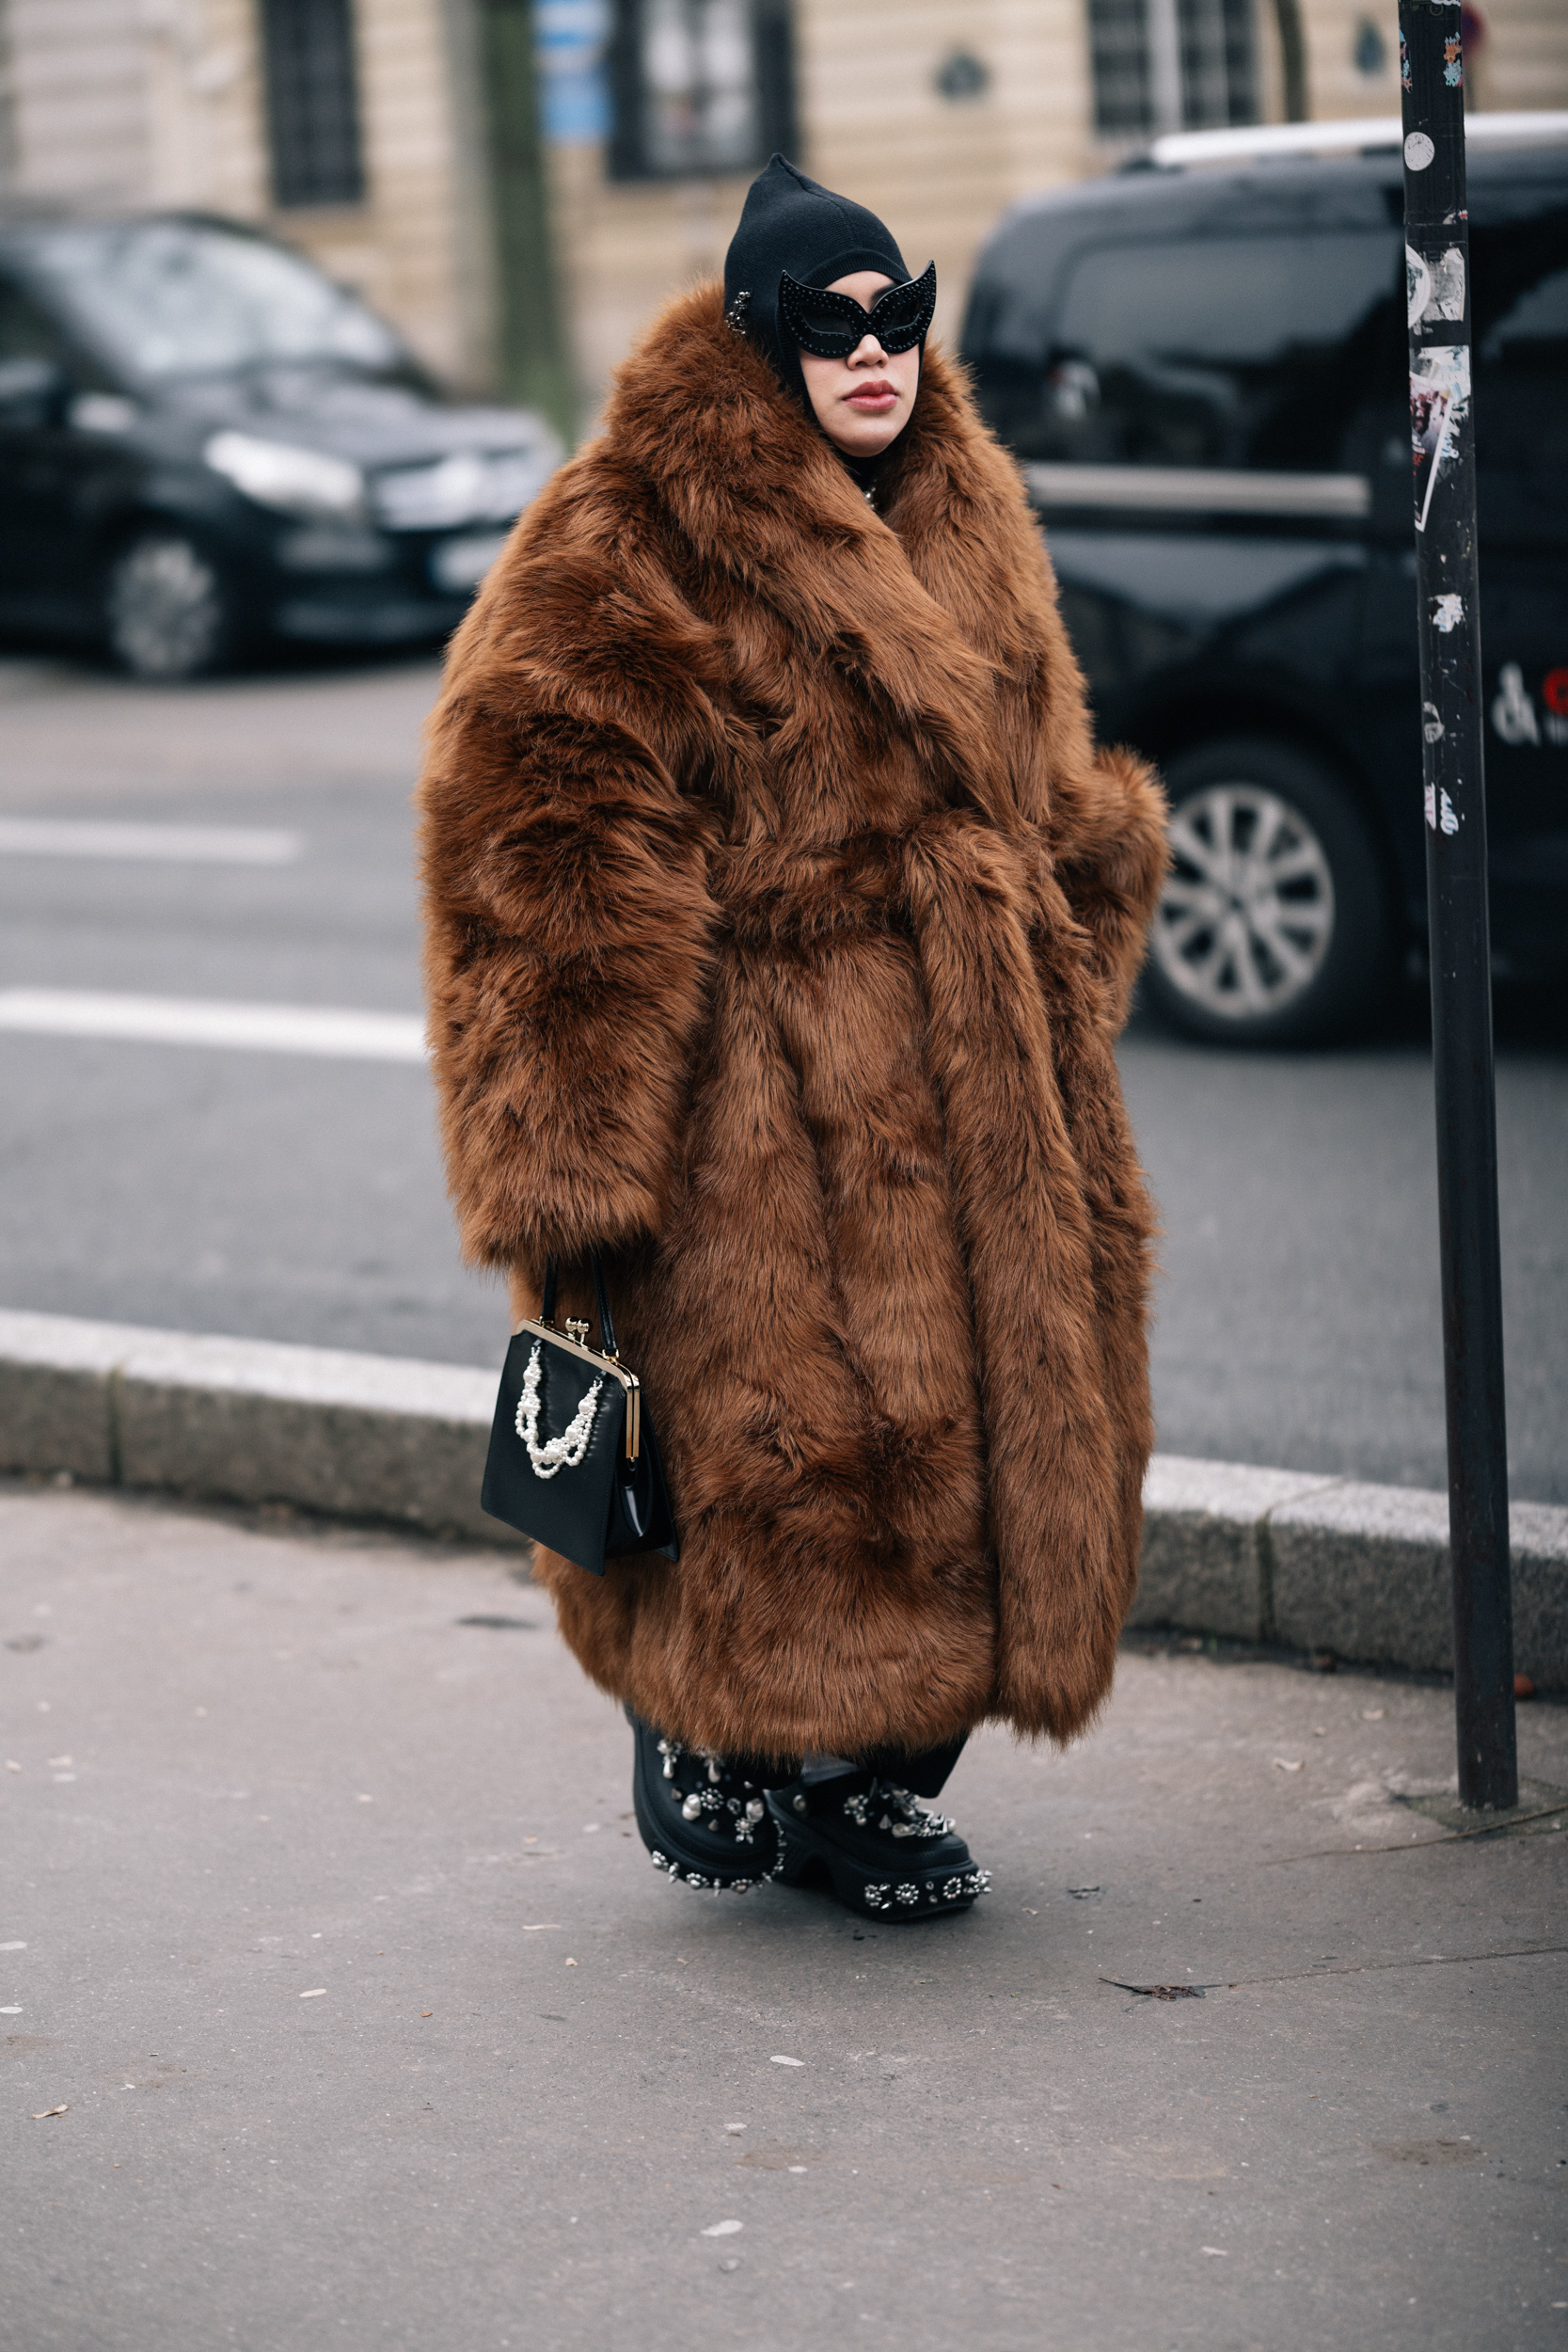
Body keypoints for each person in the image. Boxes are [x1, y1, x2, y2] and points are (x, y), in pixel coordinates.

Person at [418, 158, 1167, 1922]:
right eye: (831, 331)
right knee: (777, 1443)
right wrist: (571, 1144)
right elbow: (532, 819)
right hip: (755, 1096)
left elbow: (1044, 766)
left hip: (981, 1073)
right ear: (761, 347)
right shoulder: (631, 525)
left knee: (1000, 1449)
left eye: (898, 318)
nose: (875, 357)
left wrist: (1073, 917)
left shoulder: (964, 499)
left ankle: (876, 1778)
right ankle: (734, 1739)